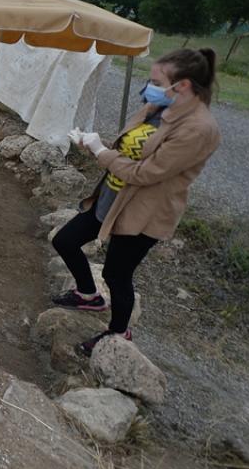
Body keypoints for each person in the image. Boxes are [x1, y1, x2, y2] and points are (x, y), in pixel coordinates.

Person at [52, 48, 222, 356]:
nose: (149, 85)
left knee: (116, 275)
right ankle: (88, 296)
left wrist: (101, 153)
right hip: (112, 196)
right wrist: (95, 144)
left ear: (181, 85)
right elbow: (129, 150)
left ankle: (118, 334)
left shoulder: (198, 129)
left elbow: (146, 173)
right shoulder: (157, 107)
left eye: (156, 80)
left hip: (144, 213)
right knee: (65, 240)